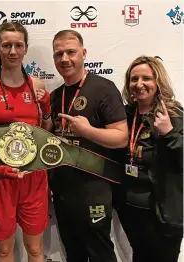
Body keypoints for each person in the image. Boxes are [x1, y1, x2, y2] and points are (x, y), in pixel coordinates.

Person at [0, 21, 51, 262]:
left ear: (25, 48)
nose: (12, 51)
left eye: (18, 45)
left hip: (33, 178)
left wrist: (45, 109)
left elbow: (46, 132)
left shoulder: (37, 86)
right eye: (6, 45)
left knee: (35, 250)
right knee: (4, 251)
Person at [48, 30, 128, 262]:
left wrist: (88, 131)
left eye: (71, 52)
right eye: (58, 54)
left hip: (94, 187)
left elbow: (121, 138)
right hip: (63, 189)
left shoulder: (104, 88)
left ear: (83, 53)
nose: (64, 59)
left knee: (99, 251)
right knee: (73, 252)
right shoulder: (55, 96)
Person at [114, 56, 183, 262]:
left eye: (146, 78)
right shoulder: (126, 114)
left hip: (162, 212)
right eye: (134, 79)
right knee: (140, 256)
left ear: (157, 81)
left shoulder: (173, 113)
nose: (139, 84)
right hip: (131, 207)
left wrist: (169, 133)